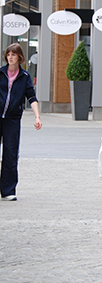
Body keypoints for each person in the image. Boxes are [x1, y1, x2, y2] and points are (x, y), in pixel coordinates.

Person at [0, 43, 42, 201]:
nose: (10, 57)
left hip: (12, 119)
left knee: (10, 154)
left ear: (19, 57)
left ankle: (8, 190)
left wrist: (37, 116)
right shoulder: (0, 73)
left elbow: (31, 97)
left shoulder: (24, 77)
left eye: (13, 54)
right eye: (8, 54)